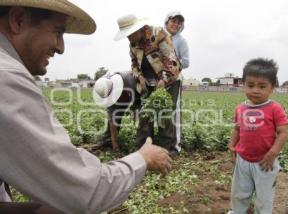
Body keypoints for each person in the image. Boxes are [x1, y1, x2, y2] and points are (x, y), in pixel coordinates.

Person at [0, 1, 172, 213]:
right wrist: (141, 158)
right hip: (143, 84)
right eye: (58, 32)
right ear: (18, 20)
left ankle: (169, 145)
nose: (61, 48)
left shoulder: (158, 36)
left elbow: (172, 63)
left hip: (163, 82)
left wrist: (162, 82)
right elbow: (87, 192)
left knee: (161, 117)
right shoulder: (6, 78)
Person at [227, 58, 288, 214]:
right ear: (243, 85)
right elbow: (237, 129)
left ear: (272, 87)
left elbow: (283, 132)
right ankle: (237, 211)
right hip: (243, 160)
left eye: (262, 86)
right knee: (239, 194)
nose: (255, 90)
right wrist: (232, 145)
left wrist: (272, 154)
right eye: (250, 85)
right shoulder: (240, 108)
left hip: (265, 162)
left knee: (264, 197)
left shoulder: (275, 108)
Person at [114, 14, 181, 153]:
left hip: (169, 81)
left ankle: (166, 149)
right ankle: (143, 149)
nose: (128, 38)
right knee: (145, 115)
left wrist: (163, 79)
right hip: (148, 83)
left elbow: (172, 60)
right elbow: (133, 63)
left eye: (129, 34)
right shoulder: (132, 43)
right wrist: (139, 76)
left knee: (165, 115)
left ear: (137, 29)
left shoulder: (158, 34)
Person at [164, 11, 190, 152]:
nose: (176, 24)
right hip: (160, 81)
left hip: (174, 80)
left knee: (174, 111)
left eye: (179, 22)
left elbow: (186, 62)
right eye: (173, 21)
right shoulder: (160, 37)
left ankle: (175, 145)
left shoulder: (181, 41)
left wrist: (173, 65)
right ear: (167, 21)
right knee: (163, 111)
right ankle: (164, 142)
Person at [93, 71, 138, 151]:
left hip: (135, 94)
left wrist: (135, 110)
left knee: (141, 116)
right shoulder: (105, 91)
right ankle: (107, 141)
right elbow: (112, 121)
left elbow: (138, 97)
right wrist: (115, 144)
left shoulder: (128, 80)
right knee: (114, 118)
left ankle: (141, 143)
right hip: (121, 99)